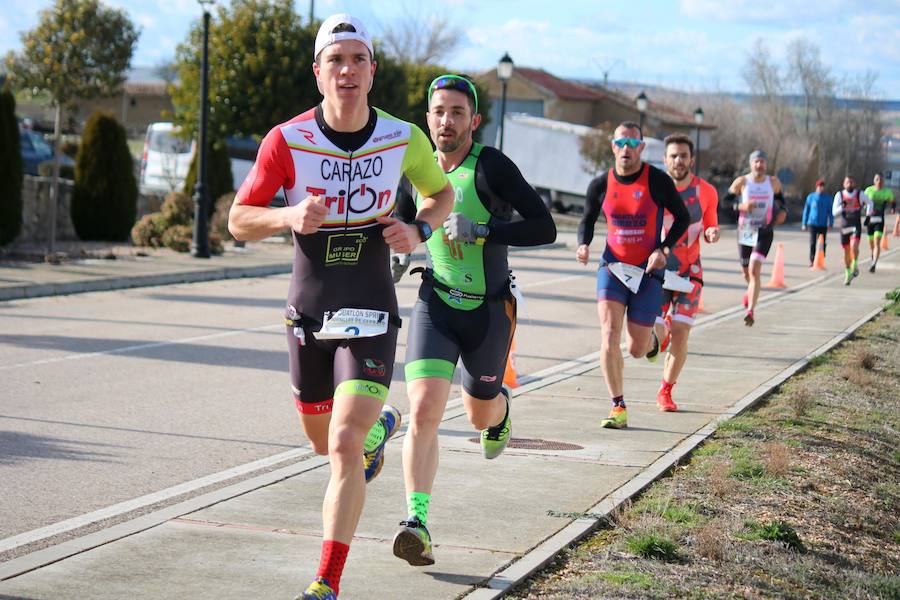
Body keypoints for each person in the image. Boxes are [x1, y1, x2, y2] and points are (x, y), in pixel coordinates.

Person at [227, 14, 455, 600]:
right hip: (308, 312)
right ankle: (377, 429)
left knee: (344, 445)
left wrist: (418, 227)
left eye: (358, 59)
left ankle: (326, 582)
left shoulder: (403, 137)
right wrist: (286, 216)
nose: (347, 70)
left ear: (372, 71)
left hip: (372, 308)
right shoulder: (287, 140)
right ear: (318, 73)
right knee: (322, 441)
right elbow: (237, 221)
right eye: (336, 60)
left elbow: (440, 192)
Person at [390, 74, 556, 566]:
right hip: (436, 303)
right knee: (423, 411)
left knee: (480, 411)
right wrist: (398, 254)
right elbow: (402, 223)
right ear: (428, 118)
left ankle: (499, 409)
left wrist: (483, 228)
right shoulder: (418, 169)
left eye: (457, 112)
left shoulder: (493, 167)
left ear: (474, 121)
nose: (447, 121)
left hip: (488, 312)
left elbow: (544, 226)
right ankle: (416, 523)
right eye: (439, 111)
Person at [576, 121, 689, 429]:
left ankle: (655, 334)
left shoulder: (657, 181)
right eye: (620, 143)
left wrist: (663, 249)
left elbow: (682, 217)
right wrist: (583, 245)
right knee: (609, 334)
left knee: (636, 349)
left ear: (641, 147)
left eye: (632, 143)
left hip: (647, 272)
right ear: (613, 146)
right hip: (612, 268)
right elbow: (586, 218)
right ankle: (618, 407)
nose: (626, 149)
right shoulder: (601, 184)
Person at [649, 134, 719, 412]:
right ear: (665, 160)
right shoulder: (654, 189)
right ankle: (660, 332)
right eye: (674, 156)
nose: (679, 161)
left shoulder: (706, 191)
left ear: (691, 159)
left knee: (681, 333)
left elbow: (711, 225)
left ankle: (665, 391)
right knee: (649, 340)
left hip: (691, 272)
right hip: (658, 271)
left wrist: (712, 232)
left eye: (684, 156)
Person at [725, 150, 787, 326]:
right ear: (751, 164)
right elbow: (725, 203)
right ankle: (751, 290)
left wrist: (783, 212)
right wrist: (741, 206)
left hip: (765, 230)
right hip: (746, 230)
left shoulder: (773, 182)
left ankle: (750, 310)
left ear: (766, 164)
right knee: (746, 271)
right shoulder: (742, 182)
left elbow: (783, 203)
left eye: (762, 162)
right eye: (756, 162)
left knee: (754, 270)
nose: (759, 165)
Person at [832, 175, 870, 285]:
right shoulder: (839, 195)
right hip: (844, 226)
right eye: (847, 182)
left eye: (851, 182)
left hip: (855, 225)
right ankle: (848, 272)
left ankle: (855, 264)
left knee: (854, 246)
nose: (849, 184)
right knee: (846, 252)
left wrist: (868, 216)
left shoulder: (860, 194)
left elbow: (870, 203)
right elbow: (834, 213)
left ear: (855, 184)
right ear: (844, 184)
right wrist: (842, 207)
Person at [863, 172, 896, 272]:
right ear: (874, 180)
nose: (879, 181)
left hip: (879, 220)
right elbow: (862, 201)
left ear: (883, 181)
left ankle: (874, 263)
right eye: (877, 179)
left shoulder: (887, 192)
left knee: (877, 240)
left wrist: (893, 208)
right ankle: (873, 254)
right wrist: (864, 207)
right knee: (871, 243)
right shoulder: (868, 190)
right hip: (870, 219)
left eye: (881, 180)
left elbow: (893, 201)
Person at [802, 179, 834, 267]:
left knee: (822, 243)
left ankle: (821, 258)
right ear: (816, 187)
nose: (821, 188)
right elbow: (806, 210)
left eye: (822, 187)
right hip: (812, 223)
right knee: (812, 243)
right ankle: (812, 260)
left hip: (823, 224)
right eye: (819, 186)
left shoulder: (827, 198)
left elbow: (830, 212)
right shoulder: (811, 197)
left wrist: (830, 223)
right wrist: (804, 223)